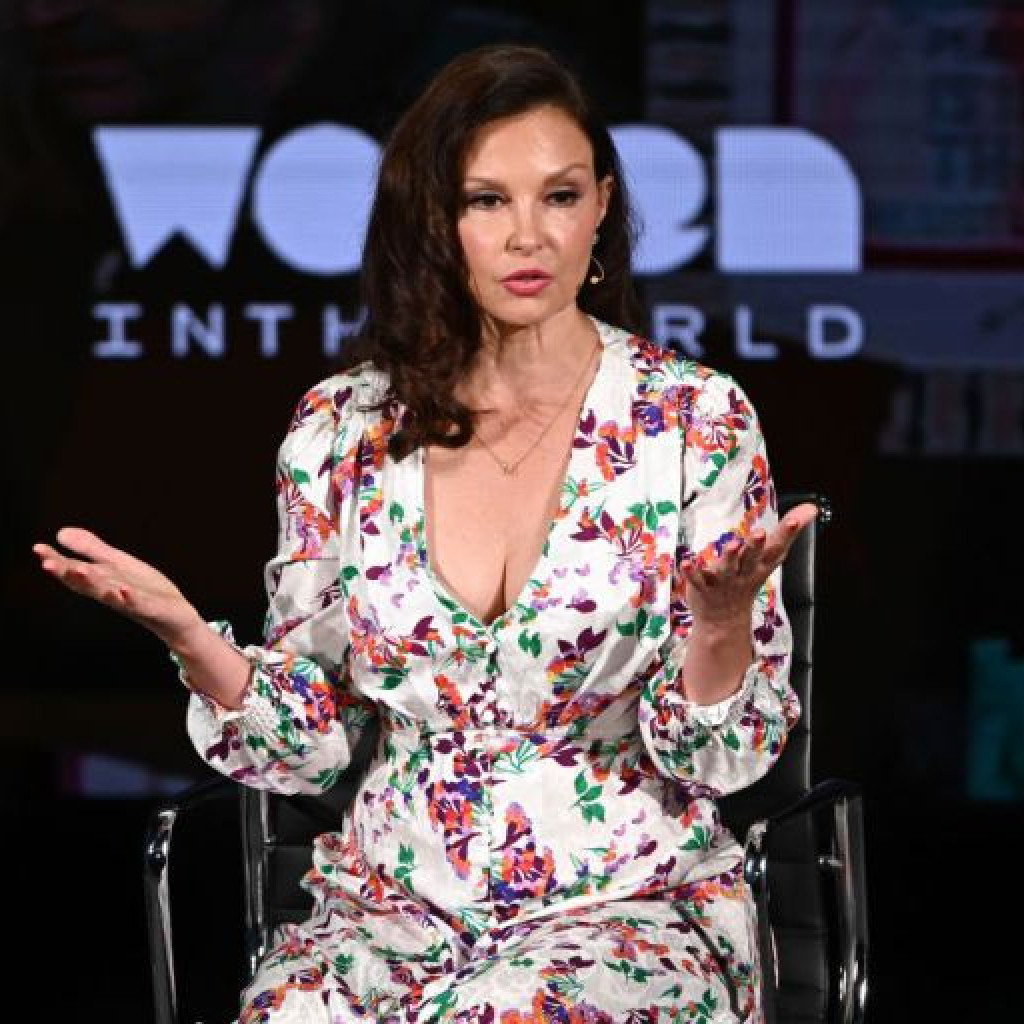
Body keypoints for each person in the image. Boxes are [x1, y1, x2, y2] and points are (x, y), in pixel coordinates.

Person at [34, 43, 816, 1024]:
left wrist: (722, 624)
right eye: (487, 200)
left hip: (626, 909)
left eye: (559, 196)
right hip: (387, 913)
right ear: (436, 221)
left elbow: (723, 760)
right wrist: (191, 638)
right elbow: (311, 749)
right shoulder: (342, 428)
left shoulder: (693, 419)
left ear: (602, 208)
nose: (528, 235)